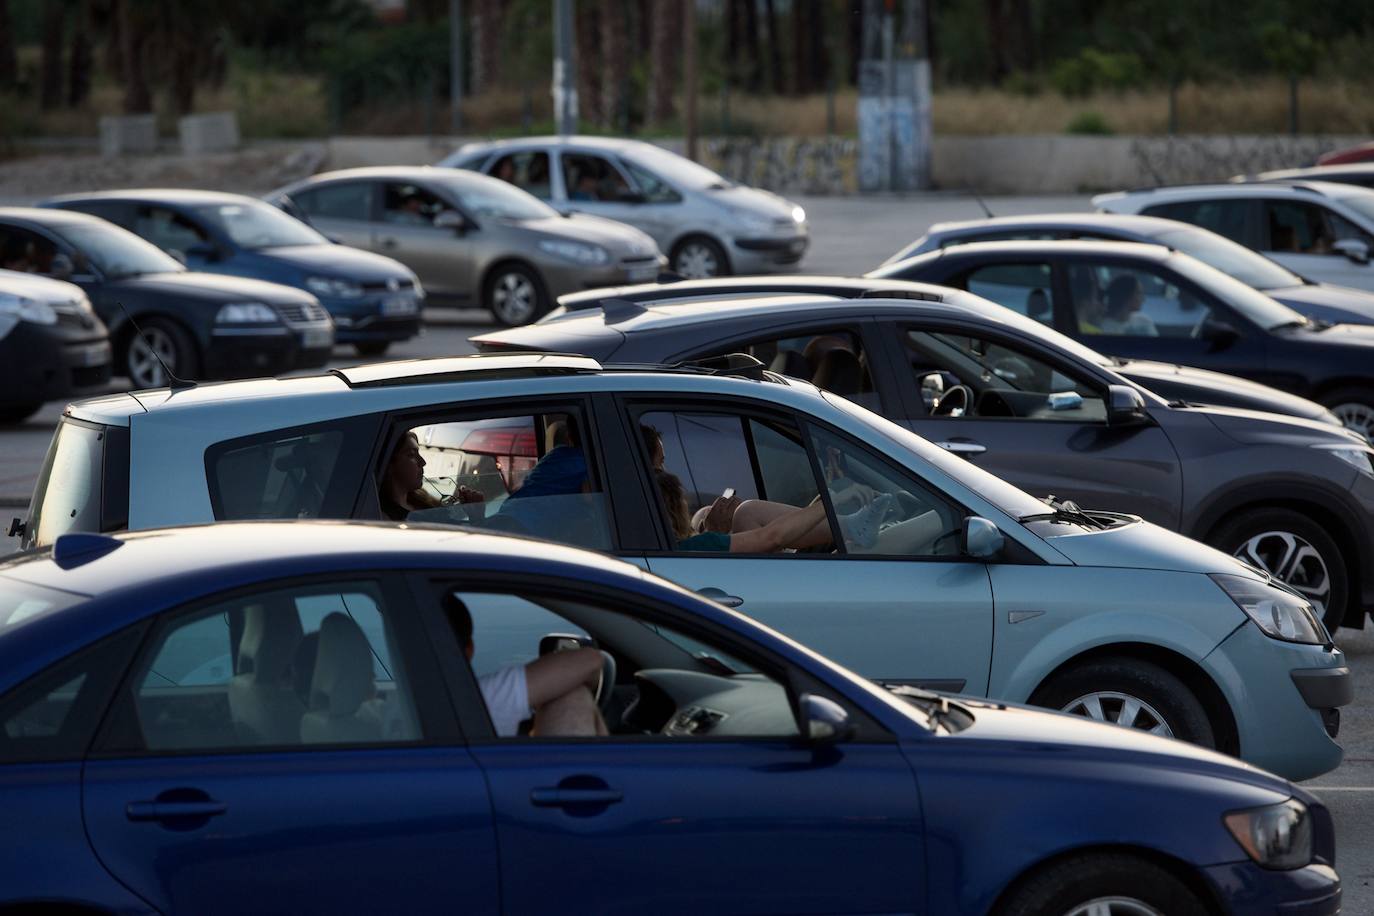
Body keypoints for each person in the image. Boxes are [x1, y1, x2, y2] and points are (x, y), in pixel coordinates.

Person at [446, 594, 607, 737]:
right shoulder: (484, 700)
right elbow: (591, 660)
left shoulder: (436, 706)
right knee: (573, 694)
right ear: (469, 649)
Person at [656, 468, 892, 553]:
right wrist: (832, 501)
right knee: (747, 511)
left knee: (739, 512)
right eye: (661, 462)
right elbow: (770, 538)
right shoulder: (691, 547)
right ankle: (850, 525)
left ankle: (849, 525)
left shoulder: (676, 547)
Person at [380, 432, 484, 522]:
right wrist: (477, 517)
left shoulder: (421, 501)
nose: (423, 462)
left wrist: (472, 511)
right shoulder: (388, 519)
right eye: (411, 455)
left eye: (418, 453)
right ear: (388, 463)